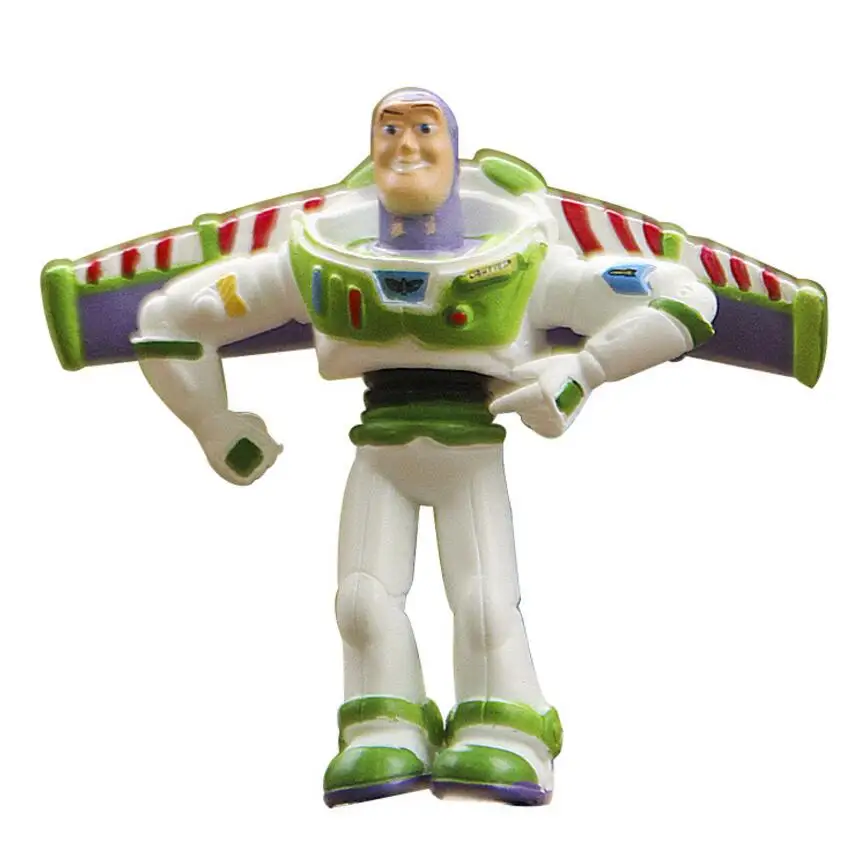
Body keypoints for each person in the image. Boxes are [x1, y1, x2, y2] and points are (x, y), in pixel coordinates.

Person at [131, 87, 717, 806]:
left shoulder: (525, 261)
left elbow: (681, 296)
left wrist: (586, 370)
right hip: (379, 450)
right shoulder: (314, 260)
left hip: (470, 449)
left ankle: (509, 728)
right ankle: (382, 726)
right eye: (390, 129)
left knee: (485, 605)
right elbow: (171, 318)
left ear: (451, 146)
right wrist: (212, 422)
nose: (406, 146)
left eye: (424, 128)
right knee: (359, 604)